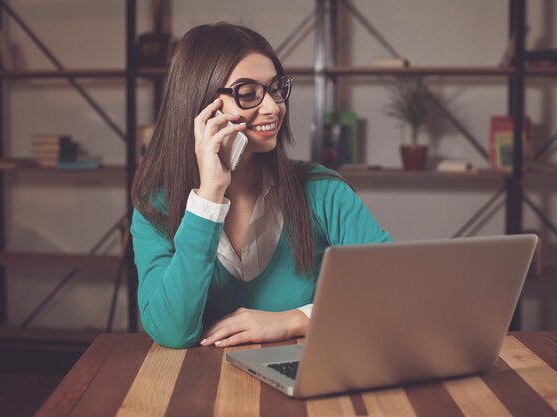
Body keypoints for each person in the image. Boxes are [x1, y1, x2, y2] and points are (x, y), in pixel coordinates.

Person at [130, 22, 392, 349]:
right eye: (249, 93)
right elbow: (172, 331)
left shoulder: (324, 191)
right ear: (202, 106)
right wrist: (210, 196)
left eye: (276, 88)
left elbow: (392, 290)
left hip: (305, 382)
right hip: (198, 389)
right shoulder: (156, 206)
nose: (273, 107)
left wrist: (294, 320)